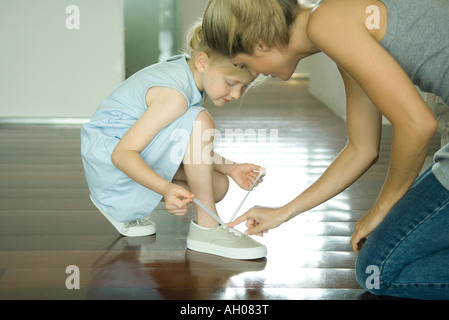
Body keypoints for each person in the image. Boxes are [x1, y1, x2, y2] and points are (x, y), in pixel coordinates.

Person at [202, 0, 449, 298]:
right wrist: (283, 212)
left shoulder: (326, 21)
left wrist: (382, 209)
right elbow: (363, 148)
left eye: (243, 62)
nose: (252, 72)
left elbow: (417, 125)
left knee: (379, 271)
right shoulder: (332, 26)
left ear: (260, 43)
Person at [80, 21, 267, 260]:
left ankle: (124, 211)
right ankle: (206, 229)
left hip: (115, 169)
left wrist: (230, 167)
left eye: (244, 87)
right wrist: (166, 189)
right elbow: (121, 154)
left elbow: (186, 142)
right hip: (111, 170)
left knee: (217, 185)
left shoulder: (186, 75)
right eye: (231, 83)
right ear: (203, 62)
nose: (237, 94)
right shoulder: (175, 96)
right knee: (199, 120)